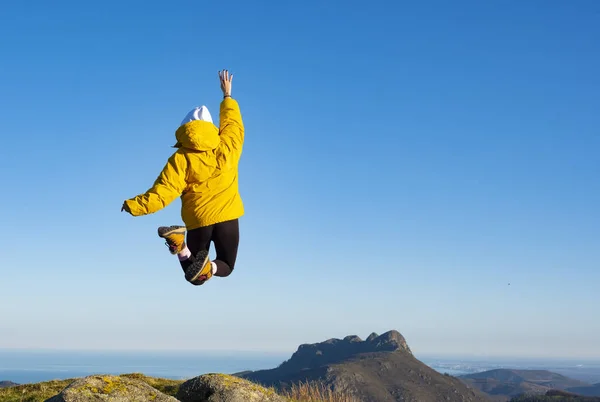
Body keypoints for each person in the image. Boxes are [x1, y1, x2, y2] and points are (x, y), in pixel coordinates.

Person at [121, 70, 244, 286]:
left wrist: (135, 205)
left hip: (197, 221)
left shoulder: (180, 158)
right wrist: (227, 96)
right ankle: (203, 262)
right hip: (228, 218)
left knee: (195, 276)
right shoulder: (227, 146)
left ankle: (181, 244)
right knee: (225, 264)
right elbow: (233, 125)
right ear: (210, 128)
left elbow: (163, 191)